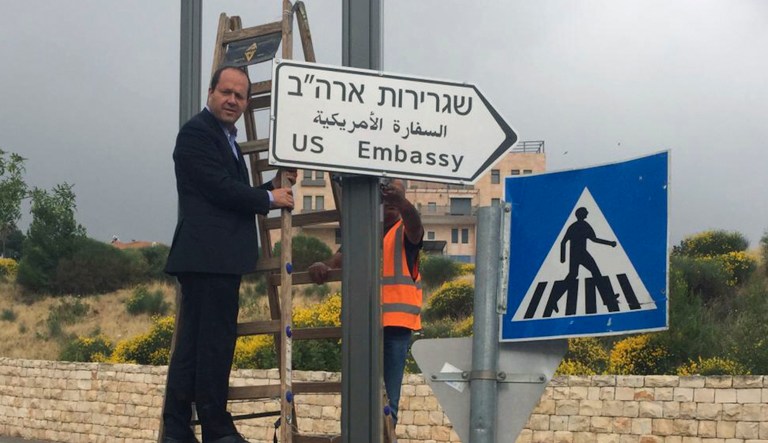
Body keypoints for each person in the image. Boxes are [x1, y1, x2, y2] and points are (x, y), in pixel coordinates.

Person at [162, 65, 296, 443]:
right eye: (226, 92)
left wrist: (272, 186)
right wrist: (270, 198)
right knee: (211, 345)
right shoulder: (196, 134)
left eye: (240, 95)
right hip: (208, 256)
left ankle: (177, 428)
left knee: (196, 343)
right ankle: (213, 428)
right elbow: (218, 189)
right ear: (210, 92)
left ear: (246, 101)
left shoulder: (225, 138)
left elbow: (232, 190)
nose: (232, 100)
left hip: (213, 257)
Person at [307, 178, 424, 428]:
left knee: (387, 401)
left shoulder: (405, 231)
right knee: (358, 396)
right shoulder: (363, 231)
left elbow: (416, 228)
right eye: (386, 199)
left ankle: (385, 433)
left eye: (395, 200)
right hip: (362, 323)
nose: (390, 204)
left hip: (395, 326)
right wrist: (322, 266)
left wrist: (403, 203)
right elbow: (336, 261)